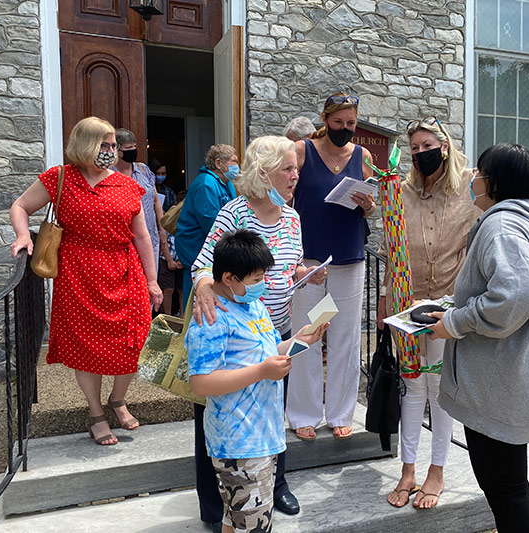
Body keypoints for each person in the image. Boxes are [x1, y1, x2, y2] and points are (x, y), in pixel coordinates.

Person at [427, 143, 529, 532]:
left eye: (479, 172)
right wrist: (453, 307)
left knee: (507, 495)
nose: (472, 177)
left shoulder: (502, 225)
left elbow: (520, 293)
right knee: (512, 490)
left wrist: (456, 322)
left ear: (493, 181)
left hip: (497, 388)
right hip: (515, 382)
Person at [190, 136, 326, 526]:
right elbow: (205, 264)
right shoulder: (235, 213)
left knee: (269, 410)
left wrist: (305, 274)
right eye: (288, 168)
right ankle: (218, 506)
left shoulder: (293, 217)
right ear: (263, 173)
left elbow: (289, 266)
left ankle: (274, 485)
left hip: (274, 329)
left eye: (295, 168)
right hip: (229, 338)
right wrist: (203, 288)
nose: (295, 175)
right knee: (220, 419)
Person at [9, 116, 163, 445]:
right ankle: (96, 413)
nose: (111, 151)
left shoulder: (127, 184)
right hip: (78, 274)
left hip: (124, 271)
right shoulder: (60, 177)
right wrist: (23, 235)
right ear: (85, 144)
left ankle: (117, 400)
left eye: (113, 145)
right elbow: (21, 205)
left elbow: (142, 237)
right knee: (87, 349)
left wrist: (153, 281)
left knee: (134, 344)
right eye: (104, 145)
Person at [379, 116, 481, 510]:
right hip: (407, 301)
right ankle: (407, 470)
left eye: (428, 145)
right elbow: (392, 249)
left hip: (446, 305)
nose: (422, 153)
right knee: (411, 386)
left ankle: (436, 471)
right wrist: (386, 298)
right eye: (415, 147)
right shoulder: (400, 191)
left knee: (438, 391)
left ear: (445, 145)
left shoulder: (469, 187)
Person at [287, 92, 376, 441]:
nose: (345, 129)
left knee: (345, 338)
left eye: (351, 124)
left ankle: (341, 412)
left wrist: (368, 205)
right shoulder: (301, 151)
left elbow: (372, 210)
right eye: (338, 123)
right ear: (325, 119)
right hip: (308, 260)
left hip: (349, 257)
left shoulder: (363, 156)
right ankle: (302, 413)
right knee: (307, 335)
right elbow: (286, 198)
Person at [175, 144, 239, 302]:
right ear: (218, 163)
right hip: (197, 247)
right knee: (196, 291)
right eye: (234, 161)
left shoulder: (226, 182)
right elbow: (211, 222)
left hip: (215, 246)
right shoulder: (206, 183)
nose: (237, 166)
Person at [111, 129, 166, 265]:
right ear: (118, 151)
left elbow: (156, 201)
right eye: (129, 148)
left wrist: (162, 230)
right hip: (124, 242)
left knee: (150, 283)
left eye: (134, 146)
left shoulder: (143, 170)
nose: (133, 150)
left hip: (150, 237)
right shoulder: (109, 174)